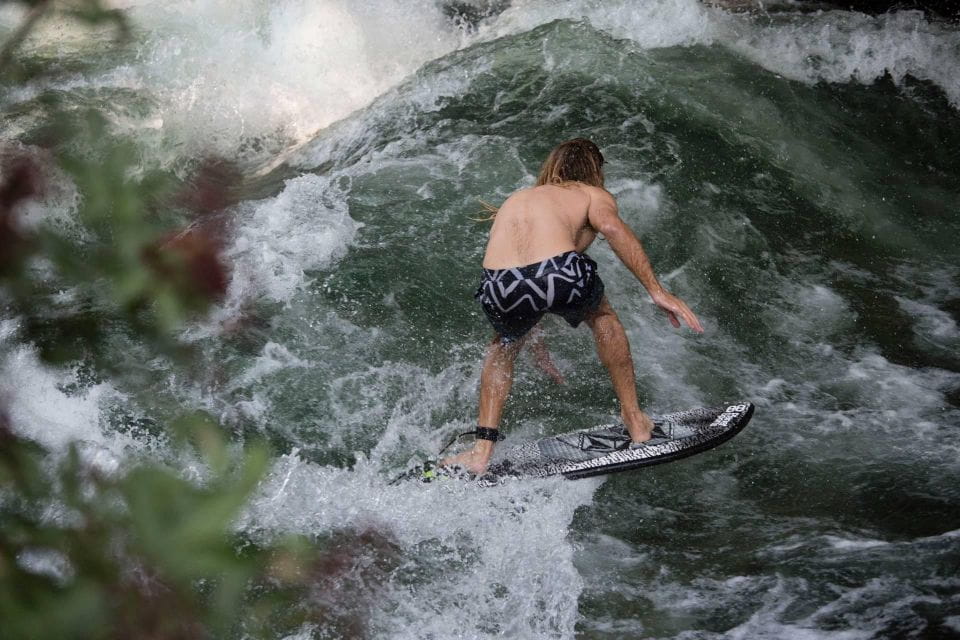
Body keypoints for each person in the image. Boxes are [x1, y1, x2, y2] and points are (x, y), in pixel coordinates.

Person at [442, 138, 704, 474]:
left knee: (503, 345)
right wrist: (656, 290)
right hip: (559, 271)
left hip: (498, 283)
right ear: (596, 170)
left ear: (552, 166)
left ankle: (481, 451)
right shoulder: (591, 194)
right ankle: (636, 421)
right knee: (603, 316)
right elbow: (609, 228)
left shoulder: (517, 199)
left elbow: (526, 273)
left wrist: (529, 336)